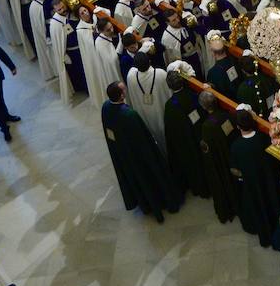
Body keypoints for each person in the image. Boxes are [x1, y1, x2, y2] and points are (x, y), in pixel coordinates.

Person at [101, 80, 183, 223]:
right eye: (123, 90)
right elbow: (144, 138)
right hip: (139, 156)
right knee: (150, 177)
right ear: (121, 96)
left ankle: (145, 205)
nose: (125, 90)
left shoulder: (106, 107)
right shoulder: (129, 115)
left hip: (122, 153)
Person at [228, 108, 280, 247]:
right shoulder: (263, 138)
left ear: (238, 126)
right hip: (269, 181)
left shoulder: (236, 147)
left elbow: (236, 170)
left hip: (252, 185)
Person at [162, 70, 210, 199]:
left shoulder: (169, 106)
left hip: (184, 143)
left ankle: (197, 187)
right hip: (199, 135)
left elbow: (169, 130)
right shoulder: (194, 95)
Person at [196, 90, 241, 223]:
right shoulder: (227, 115)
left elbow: (208, 151)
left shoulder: (207, 126)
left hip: (220, 162)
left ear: (203, 107)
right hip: (231, 155)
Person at [125, 50, 168, 151]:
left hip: (144, 117)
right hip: (161, 113)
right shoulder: (160, 74)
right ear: (149, 61)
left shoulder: (131, 77)